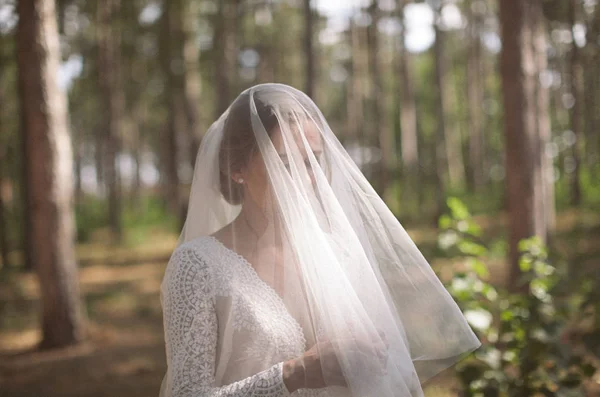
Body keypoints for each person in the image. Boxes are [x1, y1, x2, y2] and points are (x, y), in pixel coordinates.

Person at [159, 83, 480, 397]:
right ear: (237, 167)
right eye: (284, 163)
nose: (303, 179)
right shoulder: (197, 266)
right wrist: (295, 374)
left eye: (312, 160)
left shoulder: (340, 252)